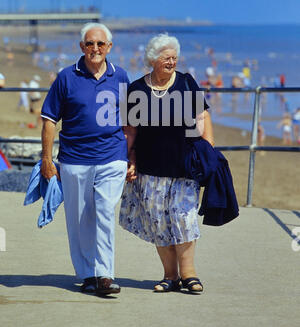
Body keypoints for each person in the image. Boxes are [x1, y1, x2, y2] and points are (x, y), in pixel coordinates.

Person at [119, 33, 214, 293]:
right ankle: (170, 276)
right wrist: (128, 159)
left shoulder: (186, 82)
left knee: (184, 220)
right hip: (150, 168)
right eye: (166, 58)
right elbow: (130, 130)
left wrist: (209, 152)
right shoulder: (137, 89)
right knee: (158, 222)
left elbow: (203, 117)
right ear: (153, 60)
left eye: (174, 58)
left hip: (184, 166)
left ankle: (189, 274)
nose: (171, 62)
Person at [40, 23, 129, 295]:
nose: (95, 48)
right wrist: (46, 158)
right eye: (90, 43)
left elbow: (131, 122)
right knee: (79, 220)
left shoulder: (121, 76)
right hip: (74, 159)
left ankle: (105, 274)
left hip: (112, 157)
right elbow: (49, 120)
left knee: (103, 212)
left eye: (100, 44)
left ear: (109, 47)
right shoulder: (66, 77)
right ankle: (86, 273)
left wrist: (134, 156)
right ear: (81, 47)